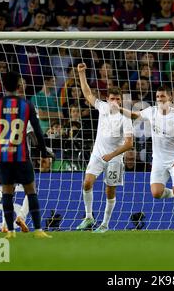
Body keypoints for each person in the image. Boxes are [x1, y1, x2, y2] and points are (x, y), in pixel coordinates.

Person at [0, 71, 54, 239]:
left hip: (3, 158)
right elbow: (37, 133)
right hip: (21, 157)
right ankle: (38, 230)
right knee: (31, 191)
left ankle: (10, 232)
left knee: (7, 193)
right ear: (19, 86)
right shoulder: (26, 105)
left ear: (3, 86)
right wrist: (43, 152)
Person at [120, 85, 174, 233]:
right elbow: (135, 115)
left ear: (170, 98)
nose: (160, 99)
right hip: (159, 161)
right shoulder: (152, 111)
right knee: (156, 193)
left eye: (163, 96)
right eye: (158, 97)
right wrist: (119, 109)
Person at [76, 63, 134, 233]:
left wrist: (112, 154)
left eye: (118, 99)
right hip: (98, 154)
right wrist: (81, 73)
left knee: (109, 191)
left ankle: (105, 224)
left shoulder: (126, 117)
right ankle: (88, 217)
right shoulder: (102, 107)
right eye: (112, 99)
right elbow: (87, 93)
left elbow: (129, 143)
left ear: (121, 100)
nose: (115, 102)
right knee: (87, 183)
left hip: (114, 158)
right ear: (107, 99)